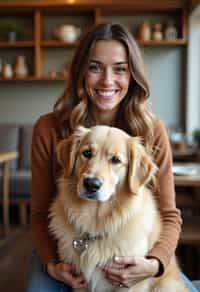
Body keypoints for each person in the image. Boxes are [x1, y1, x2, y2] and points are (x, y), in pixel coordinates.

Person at [26, 22, 198, 292]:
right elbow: (38, 214)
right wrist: (51, 264)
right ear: (81, 72)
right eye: (95, 67)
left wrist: (154, 264)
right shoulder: (48, 128)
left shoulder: (152, 131)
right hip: (65, 251)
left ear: (132, 75)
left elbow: (169, 215)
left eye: (120, 69)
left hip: (136, 256)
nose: (107, 80)